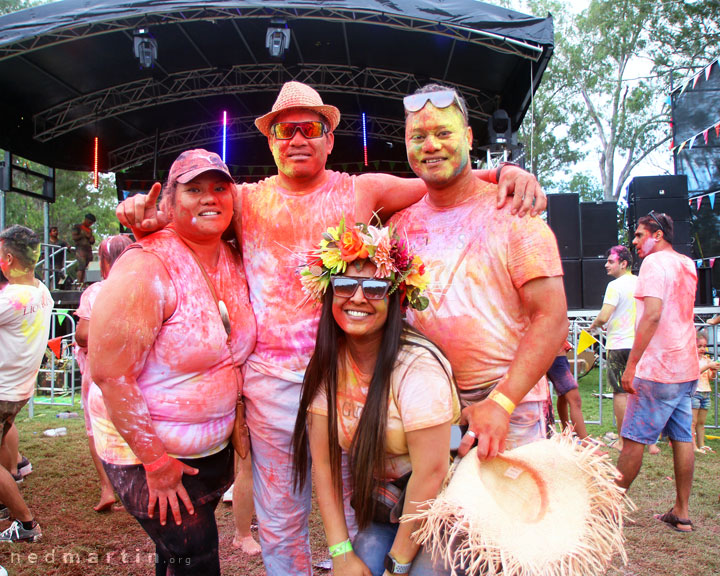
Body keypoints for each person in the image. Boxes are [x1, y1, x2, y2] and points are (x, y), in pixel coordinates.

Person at [115, 81, 547, 575]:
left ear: (328, 139)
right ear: (272, 141)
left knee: (355, 502)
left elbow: (445, 181)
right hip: (269, 384)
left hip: (348, 377)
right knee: (280, 516)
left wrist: (508, 171)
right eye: (285, 129)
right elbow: (196, 213)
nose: (298, 138)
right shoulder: (245, 200)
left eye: (310, 128)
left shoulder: (362, 190)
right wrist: (146, 221)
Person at [88, 149, 257, 574]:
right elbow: (110, 374)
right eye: (194, 189)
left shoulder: (235, 256)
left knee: (175, 559)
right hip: (150, 461)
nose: (209, 198)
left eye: (220, 188)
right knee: (196, 560)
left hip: (212, 452)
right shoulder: (147, 266)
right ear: (169, 202)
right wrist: (156, 463)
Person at [389, 84, 568, 466]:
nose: (430, 145)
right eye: (418, 136)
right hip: (431, 406)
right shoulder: (396, 228)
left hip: (509, 405)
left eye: (443, 133)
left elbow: (551, 319)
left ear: (468, 137)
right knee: (444, 520)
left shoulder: (515, 215)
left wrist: (501, 403)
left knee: (506, 521)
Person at [292, 219, 459, 576]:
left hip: (446, 513)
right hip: (388, 512)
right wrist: (339, 552)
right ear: (329, 293)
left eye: (374, 287)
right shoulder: (328, 364)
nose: (357, 297)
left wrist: (396, 568)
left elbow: (431, 474)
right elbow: (323, 464)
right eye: (345, 284)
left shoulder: (417, 366)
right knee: (359, 562)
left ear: (396, 297)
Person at [616, 211, 698, 533]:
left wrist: (632, 365)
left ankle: (608, 511)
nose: (634, 242)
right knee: (682, 437)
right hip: (684, 366)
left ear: (658, 234)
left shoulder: (652, 263)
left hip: (658, 368)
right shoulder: (687, 264)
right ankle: (682, 512)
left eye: (639, 235)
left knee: (633, 438)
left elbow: (652, 316)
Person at [0, 225, 53, 542]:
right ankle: (6, 503)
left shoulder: (11, 299)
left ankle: (27, 525)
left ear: (7, 258)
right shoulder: (40, 290)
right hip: (18, 388)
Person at [74, 234, 133, 512]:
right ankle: (135, 486)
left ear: (104, 260)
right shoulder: (141, 287)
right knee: (132, 425)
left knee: (95, 429)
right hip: (133, 372)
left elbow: (82, 335)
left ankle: (107, 489)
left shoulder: (96, 291)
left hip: (98, 373)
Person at [588, 246, 660, 453]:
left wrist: (592, 326)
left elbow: (603, 316)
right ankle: (650, 442)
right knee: (645, 392)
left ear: (624, 263)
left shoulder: (614, 285)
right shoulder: (642, 283)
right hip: (642, 344)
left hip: (619, 345)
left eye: (610, 261)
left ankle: (622, 440)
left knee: (620, 393)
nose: (606, 264)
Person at [546, 340, 588, 439]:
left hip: (555, 352)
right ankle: (584, 440)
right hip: (554, 353)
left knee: (564, 396)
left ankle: (567, 432)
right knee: (575, 399)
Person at [692, 329, 719, 453]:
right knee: (693, 421)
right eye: (699, 346)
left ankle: (701, 444)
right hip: (695, 393)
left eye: (704, 346)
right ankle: (693, 446)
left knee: (701, 423)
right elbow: (695, 373)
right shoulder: (692, 359)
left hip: (706, 393)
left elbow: (710, 378)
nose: (702, 349)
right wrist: (708, 366)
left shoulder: (707, 359)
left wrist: (713, 371)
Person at [71, 213, 96, 285]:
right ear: (86, 220)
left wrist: (91, 238)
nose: (90, 224)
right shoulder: (77, 227)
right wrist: (83, 235)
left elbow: (92, 241)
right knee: (81, 265)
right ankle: (79, 283)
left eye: (92, 223)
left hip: (88, 250)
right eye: (89, 222)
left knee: (88, 267)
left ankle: (85, 283)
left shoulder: (90, 230)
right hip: (80, 249)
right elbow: (74, 237)